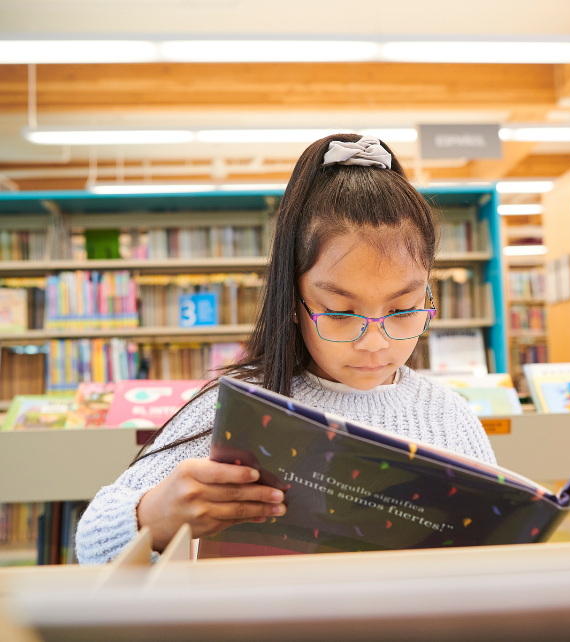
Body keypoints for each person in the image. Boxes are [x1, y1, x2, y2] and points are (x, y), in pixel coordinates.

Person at [75, 134, 496, 565]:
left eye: (404, 309)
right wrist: (152, 516)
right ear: (292, 301)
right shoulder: (240, 407)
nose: (376, 342)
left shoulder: (451, 418)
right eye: (339, 313)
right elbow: (90, 546)